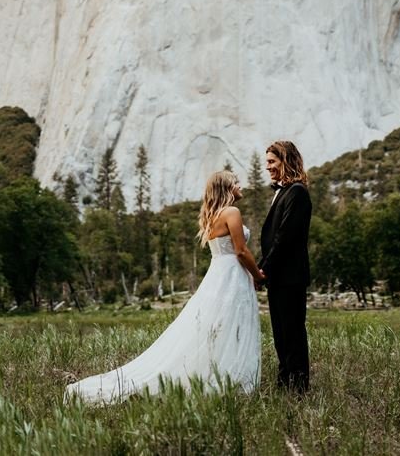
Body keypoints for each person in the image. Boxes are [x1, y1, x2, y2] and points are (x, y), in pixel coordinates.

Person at [65, 168, 261, 404]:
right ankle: (232, 377)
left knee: (216, 328)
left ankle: (222, 375)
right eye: (236, 182)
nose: (241, 186)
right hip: (231, 275)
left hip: (218, 274)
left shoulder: (213, 215)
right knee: (230, 327)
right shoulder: (231, 212)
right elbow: (241, 250)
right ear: (226, 187)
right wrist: (258, 275)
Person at [256, 139, 312, 393]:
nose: (267, 167)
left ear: (286, 161)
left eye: (272, 161)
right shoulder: (285, 192)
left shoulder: (297, 192)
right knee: (280, 334)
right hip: (279, 276)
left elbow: (285, 237)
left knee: (292, 333)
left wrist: (263, 268)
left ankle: (298, 387)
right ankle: (284, 382)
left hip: (290, 276)